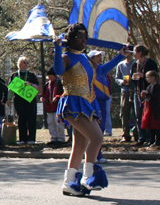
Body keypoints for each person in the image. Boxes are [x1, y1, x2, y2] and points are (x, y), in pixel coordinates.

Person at [54, 23, 130, 196]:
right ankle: (88, 176)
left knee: (80, 144)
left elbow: (101, 70)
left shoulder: (85, 58)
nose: (83, 40)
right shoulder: (66, 57)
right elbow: (58, 70)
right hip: (72, 103)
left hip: (88, 103)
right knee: (97, 137)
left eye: (84, 37)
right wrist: (57, 49)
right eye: (79, 37)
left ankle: (69, 182)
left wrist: (120, 56)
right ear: (71, 39)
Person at [7, 57, 41, 144]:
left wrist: (30, 84)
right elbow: (10, 89)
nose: (26, 64)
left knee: (31, 118)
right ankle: (22, 138)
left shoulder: (31, 75)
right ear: (20, 64)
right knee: (21, 118)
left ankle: (31, 139)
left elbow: (37, 87)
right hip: (19, 100)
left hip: (30, 99)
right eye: (24, 62)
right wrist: (8, 99)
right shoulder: (14, 75)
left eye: (27, 63)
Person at [130, 45, 158, 146]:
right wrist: (133, 77)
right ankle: (141, 137)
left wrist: (144, 75)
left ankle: (150, 137)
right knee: (138, 116)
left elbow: (155, 75)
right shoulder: (134, 64)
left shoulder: (151, 63)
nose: (133, 54)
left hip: (148, 93)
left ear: (140, 52)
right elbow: (132, 78)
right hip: (138, 93)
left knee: (148, 115)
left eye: (135, 52)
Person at [88, 50, 111, 161]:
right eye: (97, 56)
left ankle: (98, 154)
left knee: (101, 129)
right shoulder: (90, 72)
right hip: (94, 102)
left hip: (103, 103)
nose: (100, 58)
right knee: (94, 130)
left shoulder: (103, 72)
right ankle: (93, 156)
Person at [140, 70, 160, 147]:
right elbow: (148, 97)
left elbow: (157, 97)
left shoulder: (157, 86)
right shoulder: (149, 86)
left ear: (153, 78)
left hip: (155, 108)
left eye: (148, 77)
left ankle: (158, 140)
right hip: (149, 107)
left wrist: (148, 93)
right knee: (150, 125)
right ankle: (151, 139)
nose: (147, 79)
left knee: (156, 124)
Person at [41, 69, 65, 145]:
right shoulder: (47, 85)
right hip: (49, 107)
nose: (50, 79)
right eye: (49, 77)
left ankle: (61, 138)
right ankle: (53, 138)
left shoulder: (59, 84)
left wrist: (57, 97)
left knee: (58, 123)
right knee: (51, 123)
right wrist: (42, 97)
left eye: (51, 77)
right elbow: (44, 93)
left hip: (57, 107)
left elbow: (63, 94)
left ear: (55, 76)